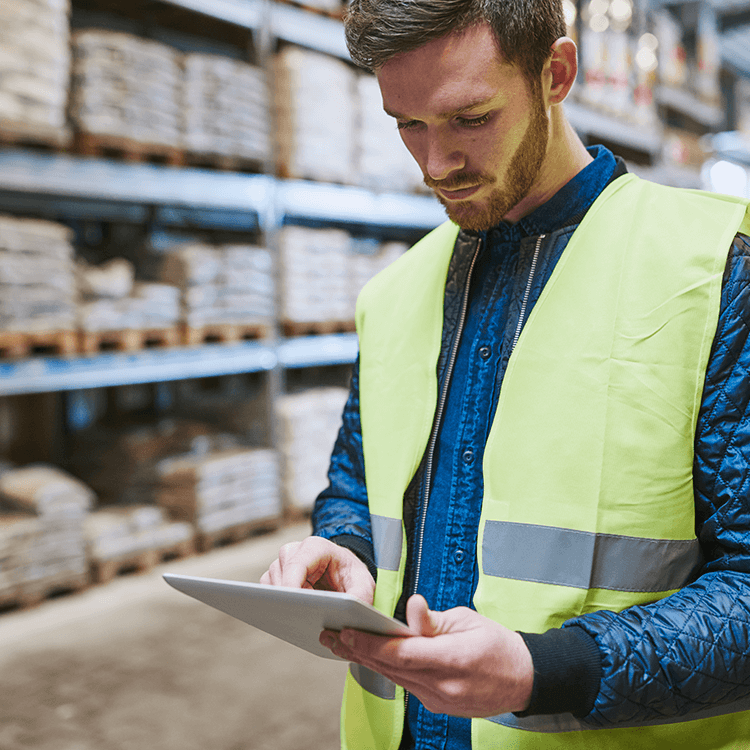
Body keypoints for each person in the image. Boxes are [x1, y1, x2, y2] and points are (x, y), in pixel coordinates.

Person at [261, 1, 750, 748]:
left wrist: (542, 669)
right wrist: (346, 551)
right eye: (408, 123)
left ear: (555, 73)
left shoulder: (714, 272)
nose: (434, 164)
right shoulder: (395, 295)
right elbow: (355, 487)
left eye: (469, 119)